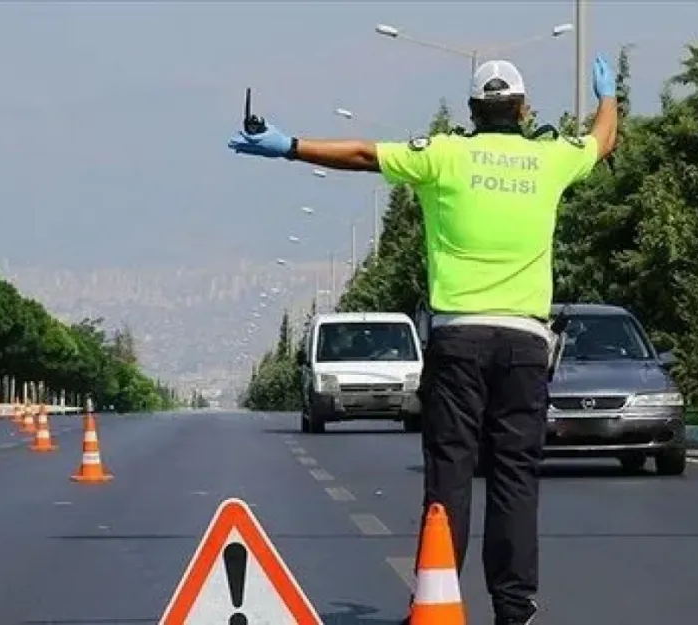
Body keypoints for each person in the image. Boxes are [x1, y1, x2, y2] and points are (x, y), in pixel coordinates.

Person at [229, 55, 619, 625]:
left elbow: (364, 155)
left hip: (458, 341)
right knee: (515, 477)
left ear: (470, 111)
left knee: (450, 472)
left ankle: (435, 599)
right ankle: (514, 610)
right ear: (524, 109)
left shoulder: (443, 155)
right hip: (525, 344)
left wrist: (289, 146)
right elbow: (602, 142)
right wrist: (606, 97)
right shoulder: (550, 158)